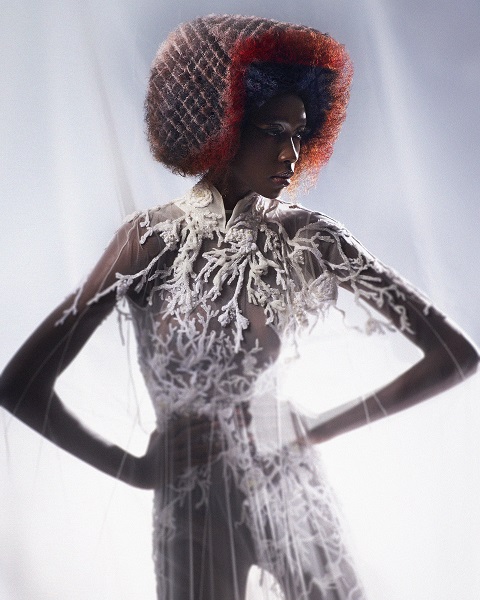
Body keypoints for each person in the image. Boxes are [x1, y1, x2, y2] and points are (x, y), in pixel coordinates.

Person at [0, 14, 478, 600]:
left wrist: (315, 428)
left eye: (300, 133)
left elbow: (456, 353)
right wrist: (134, 467)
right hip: (192, 506)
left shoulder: (309, 237)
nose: (292, 153)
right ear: (219, 125)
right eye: (274, 130)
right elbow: (20, 383)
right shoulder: (148, 241)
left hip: (289, 491)